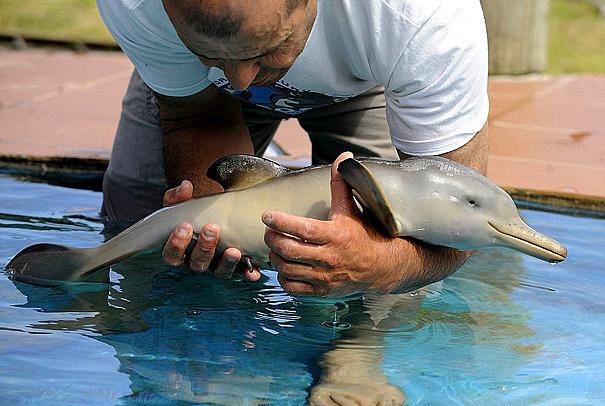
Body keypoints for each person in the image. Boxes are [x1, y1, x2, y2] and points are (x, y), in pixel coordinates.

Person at [96, 0, 489, 298]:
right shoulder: (135, 5)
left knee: (385, 248)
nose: (241, 80)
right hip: (202, 96)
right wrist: (217, 221)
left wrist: (379, 265)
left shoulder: (423, 17)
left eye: (268, 48)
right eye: (210, 52)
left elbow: (456, 222)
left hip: (365, 76)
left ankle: (353, 356)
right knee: (136, 216)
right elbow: (197, 117)